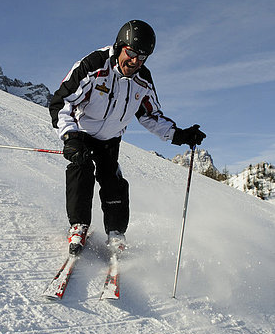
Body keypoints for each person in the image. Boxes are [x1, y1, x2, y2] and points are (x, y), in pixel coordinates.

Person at [49, 20, 206, 255]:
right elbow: (62, 102)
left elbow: (150, 115)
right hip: (82, 132)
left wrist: (179, 134)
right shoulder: (94, 65)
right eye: (131, 53)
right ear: (120, 46)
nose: (135, 62)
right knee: (81, 170)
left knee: (113, 181)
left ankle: (116, 233)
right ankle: (79, 225)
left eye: (142, 57)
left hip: (110, 139)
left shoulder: (143, 79)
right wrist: (70, 137)